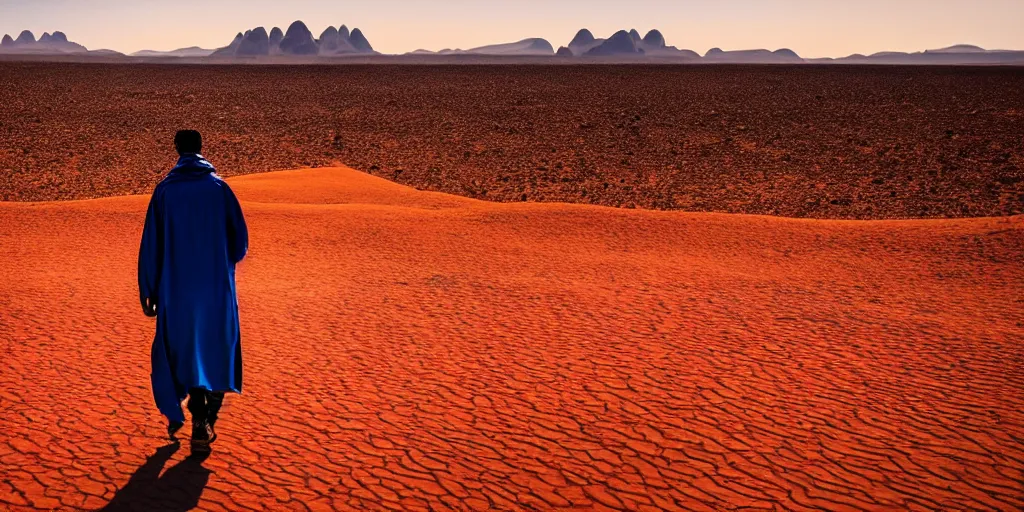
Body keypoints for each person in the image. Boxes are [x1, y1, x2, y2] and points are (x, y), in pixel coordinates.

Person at [138, 130, 248, 453]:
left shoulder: (164, 193)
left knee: (183, 352)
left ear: (177, 150)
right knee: (217, 349)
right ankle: (205, 419)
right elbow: (240, 243)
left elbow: (151, 246)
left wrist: (149, 290)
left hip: (176, 292)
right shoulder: (219, 190)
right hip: (215, 290)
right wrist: (220, 260)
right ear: (201, 149)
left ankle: (195, 416)